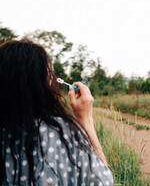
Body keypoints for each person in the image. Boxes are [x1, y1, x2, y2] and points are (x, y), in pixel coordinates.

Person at [0, 39, 113, 185]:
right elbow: (102, 181)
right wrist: (85, 119)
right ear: (43, 84)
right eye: (49, 74)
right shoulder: (61, 133)